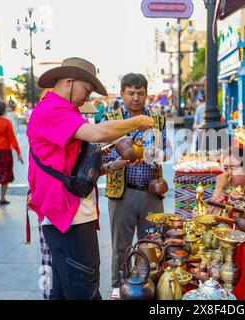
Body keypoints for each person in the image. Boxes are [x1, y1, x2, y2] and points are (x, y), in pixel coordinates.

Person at [26, 57, 154, 300]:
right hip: (67, 215)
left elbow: (75, 167)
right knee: (84, 289)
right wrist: (136, 121)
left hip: (71, 212)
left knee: (63, 292)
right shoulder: (51, 110)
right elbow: (97, 133)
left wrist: (114, 165)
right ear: (69, 81)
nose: (88, 96)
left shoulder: (65, 111)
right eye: (87, 89)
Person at [102, 73, 171, 300]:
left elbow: (168, 151)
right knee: (120, 246)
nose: (135, 98)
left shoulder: (157, 119)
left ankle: (149, 286)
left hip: (150, 193)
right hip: (122, 193)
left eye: (140, 93)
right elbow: (99, 155)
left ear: (146, 94)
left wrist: (155, 155)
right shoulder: (110, 119)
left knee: (152, 244)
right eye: (130, 93)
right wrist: (121, 155)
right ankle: (118, 287)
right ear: (122, 93)